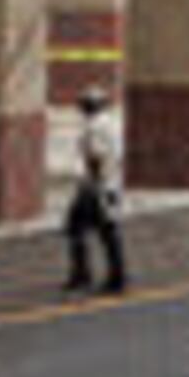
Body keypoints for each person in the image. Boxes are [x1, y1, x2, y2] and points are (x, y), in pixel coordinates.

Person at [61, 86, 126, 295]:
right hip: (112, 184)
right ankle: (116, 276)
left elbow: (95, 157)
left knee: (75, 228)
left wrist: (91, 184)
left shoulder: (95, 127)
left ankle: (85, 275)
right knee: (108, 231)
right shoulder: (113, 123)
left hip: (96, 186)